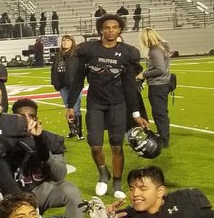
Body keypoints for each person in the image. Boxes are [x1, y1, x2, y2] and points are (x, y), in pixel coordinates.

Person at [64, 14, 148, 197]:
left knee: (116, 145)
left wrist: (136, 113)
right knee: (95, 145)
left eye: (114, 28)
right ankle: (103, 174)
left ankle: (117, 183)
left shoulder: (127, 53)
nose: (111, 31)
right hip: (95, 104)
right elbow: (78, 79)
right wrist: (70, 106)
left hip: (117, 104)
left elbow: (130, 86)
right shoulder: (89, 50)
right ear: (101, 30)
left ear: (120, 30)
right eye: (107, 27)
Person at [7, 99, 83, 218]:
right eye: (22, 117)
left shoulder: (51, 139)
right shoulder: (4, 139)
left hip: (42, 190)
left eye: (31, 116)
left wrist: (41, 144)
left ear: (37, 118)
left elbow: (60, 175)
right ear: (13, 119)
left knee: (70, 191)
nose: (27, 120)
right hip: (14, 193)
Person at [139, 27, 172, 148]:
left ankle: (163, 139)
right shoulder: (162, 47)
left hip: (158, 85)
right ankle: (163, 135)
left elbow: (160, 69)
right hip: (163, 83)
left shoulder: (155, 51)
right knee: (161, 112)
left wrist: (144, 74)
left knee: (159, 112)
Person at [49, 35, 82, 140]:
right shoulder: (58, 55)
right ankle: (72, 130)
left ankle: (79, 132)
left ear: (72, 42)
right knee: (68, 107)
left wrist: (77, 82)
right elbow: (53, 69)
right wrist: (54, 82)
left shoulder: (76, 55)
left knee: (75, 108)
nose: (65, 42)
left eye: (68, 40)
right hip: (62, 85)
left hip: (74, 86)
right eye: (64, 40)